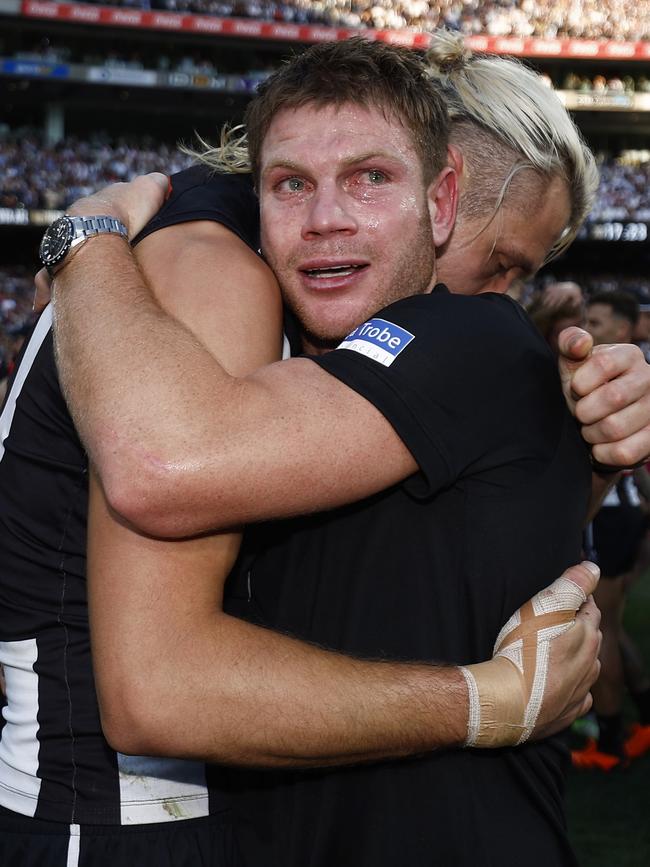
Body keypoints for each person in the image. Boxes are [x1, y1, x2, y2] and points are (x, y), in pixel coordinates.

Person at [0, 35, 635, 866]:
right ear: (444, 194)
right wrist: (83, 238)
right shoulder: (215, 267)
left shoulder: (266, 274)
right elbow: (159, 490)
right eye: (504, 262)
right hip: (118, 817)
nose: (493, 303)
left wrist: (586, 440)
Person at [573, 291, 650, 769]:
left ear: (622, 330)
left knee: (602, 625)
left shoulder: (621, 376)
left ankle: (610, 738)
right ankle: (639, 714)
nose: (588, 326)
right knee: (613, 627)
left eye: (597, 320)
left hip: (613, 515)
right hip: (621, 512)